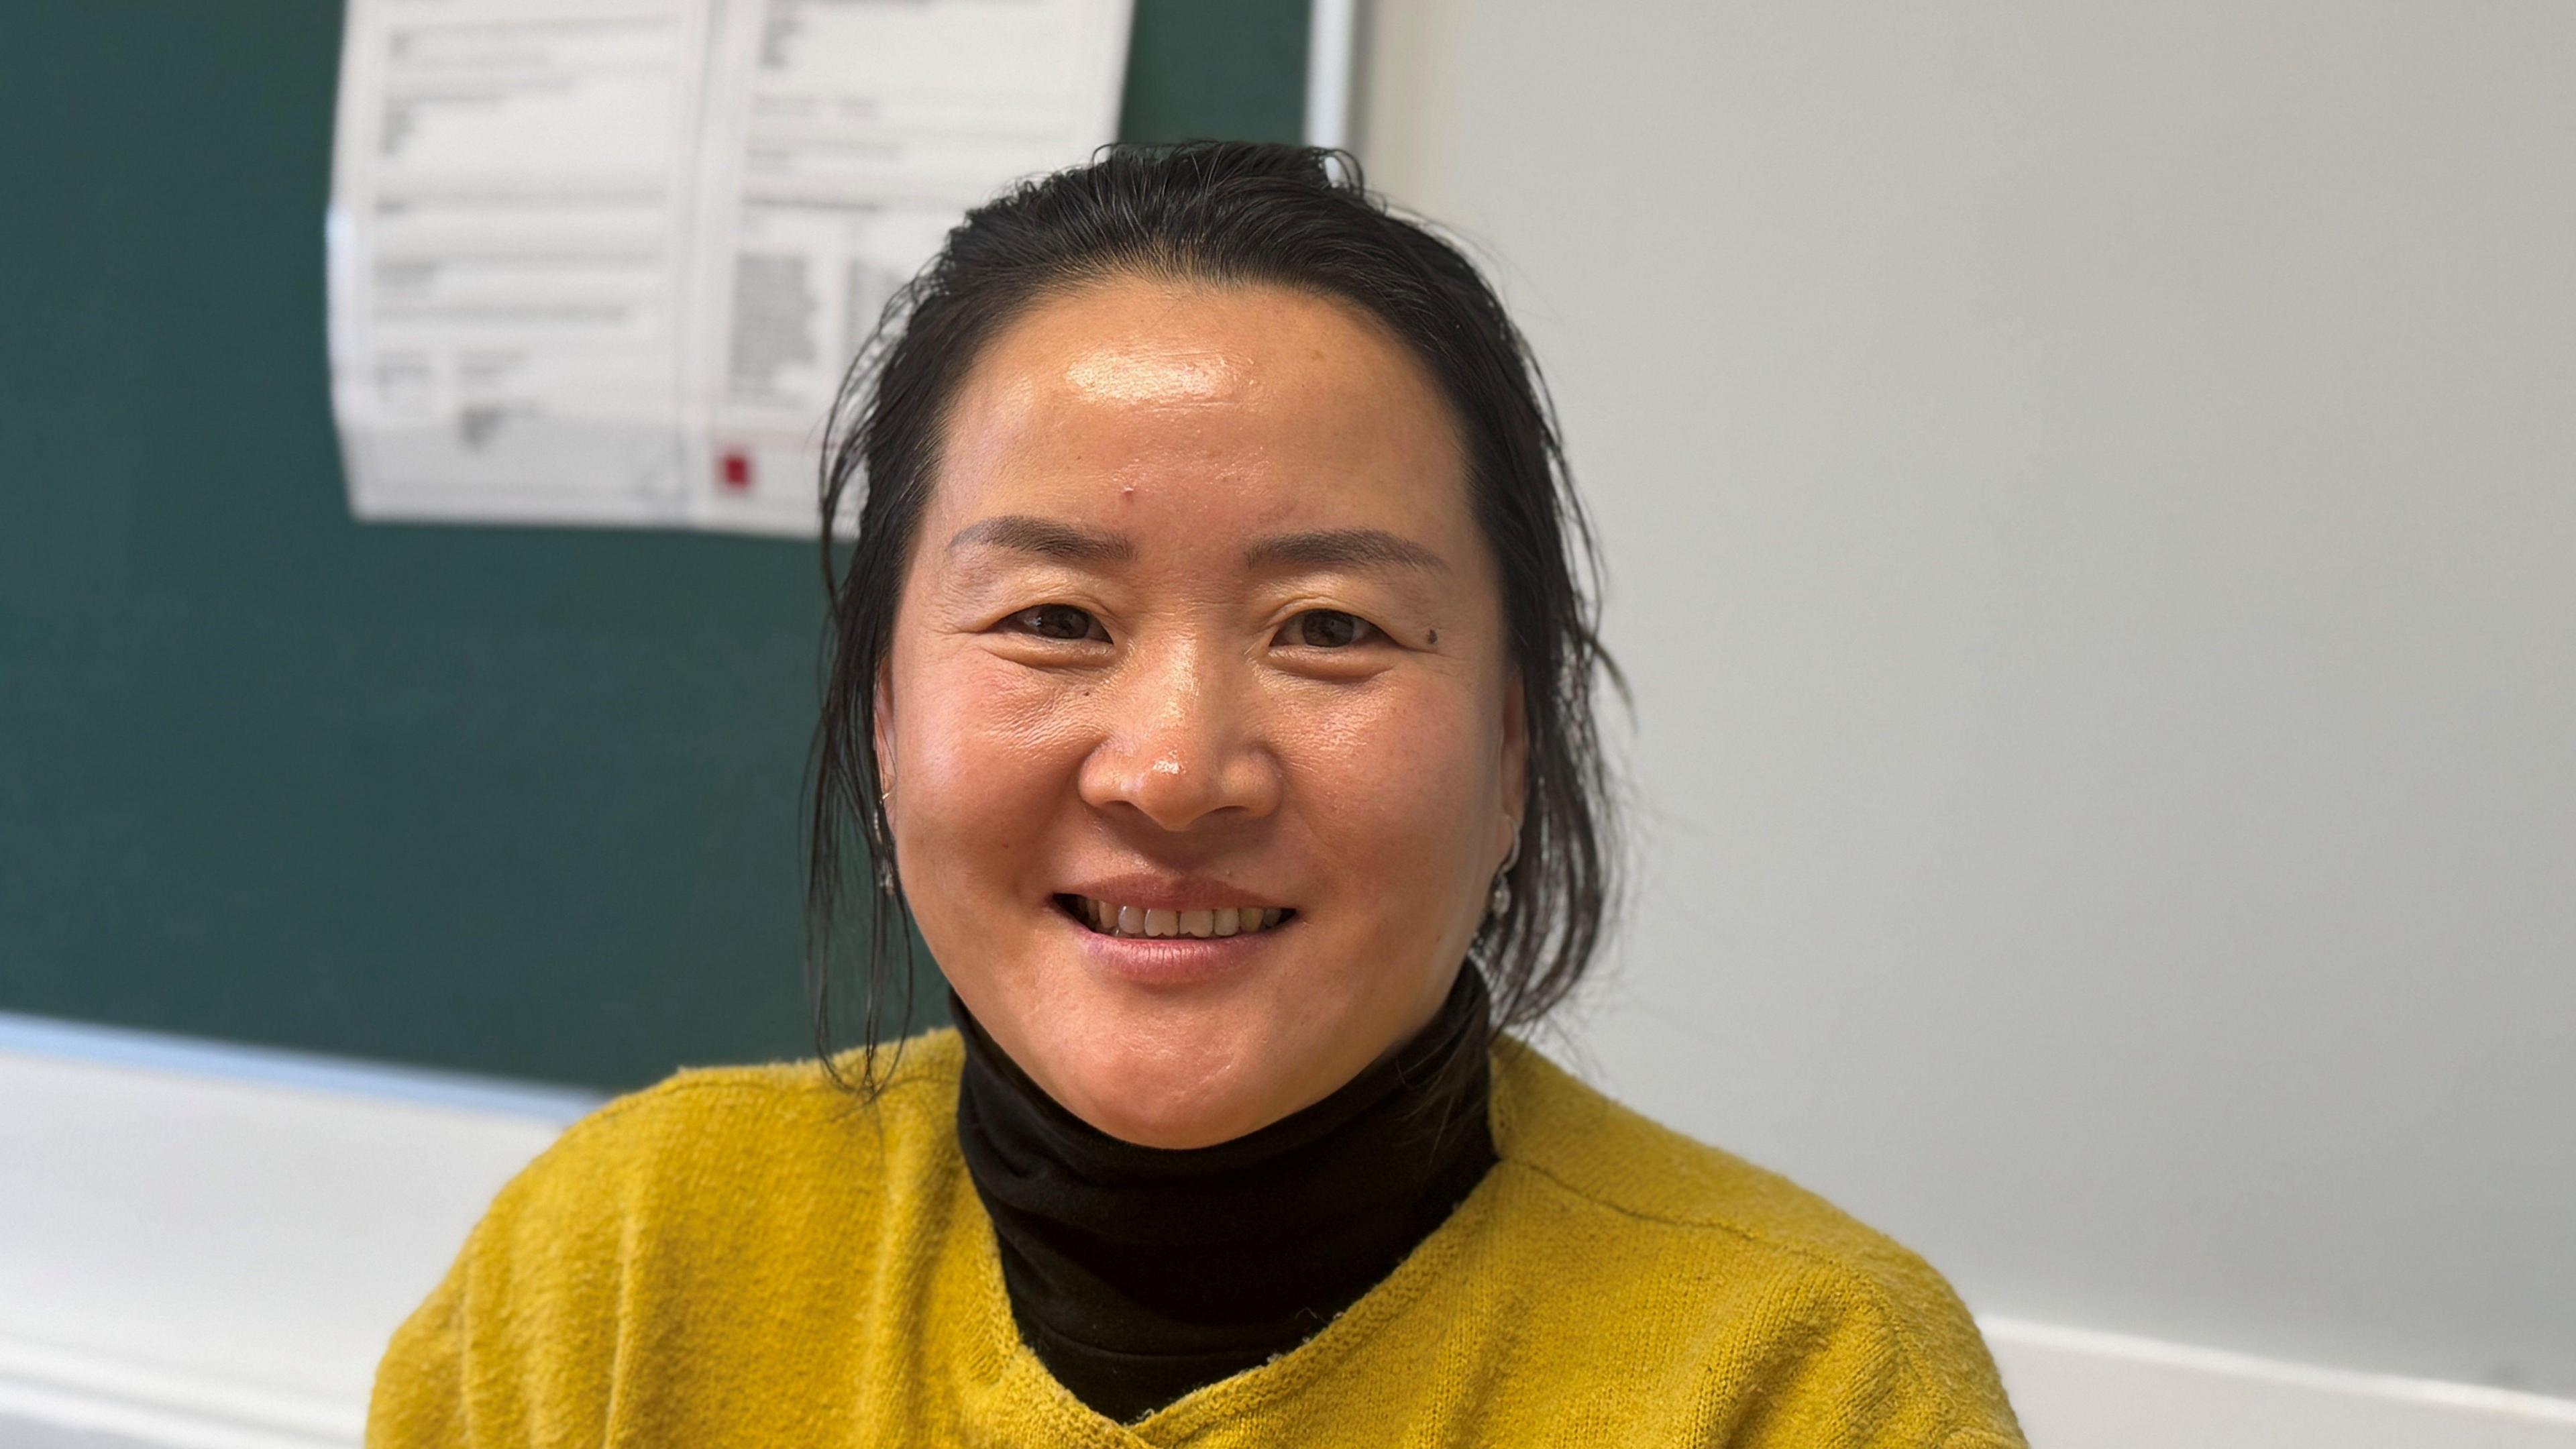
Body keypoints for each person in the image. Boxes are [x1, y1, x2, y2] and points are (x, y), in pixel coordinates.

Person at [368, 142, 2027, 1448]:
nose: (1172, 771)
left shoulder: (1805, 1387)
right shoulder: (620, 1275)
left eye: (1329, 630)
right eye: (1053, 622)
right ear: (885, 723)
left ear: (1514, 750)